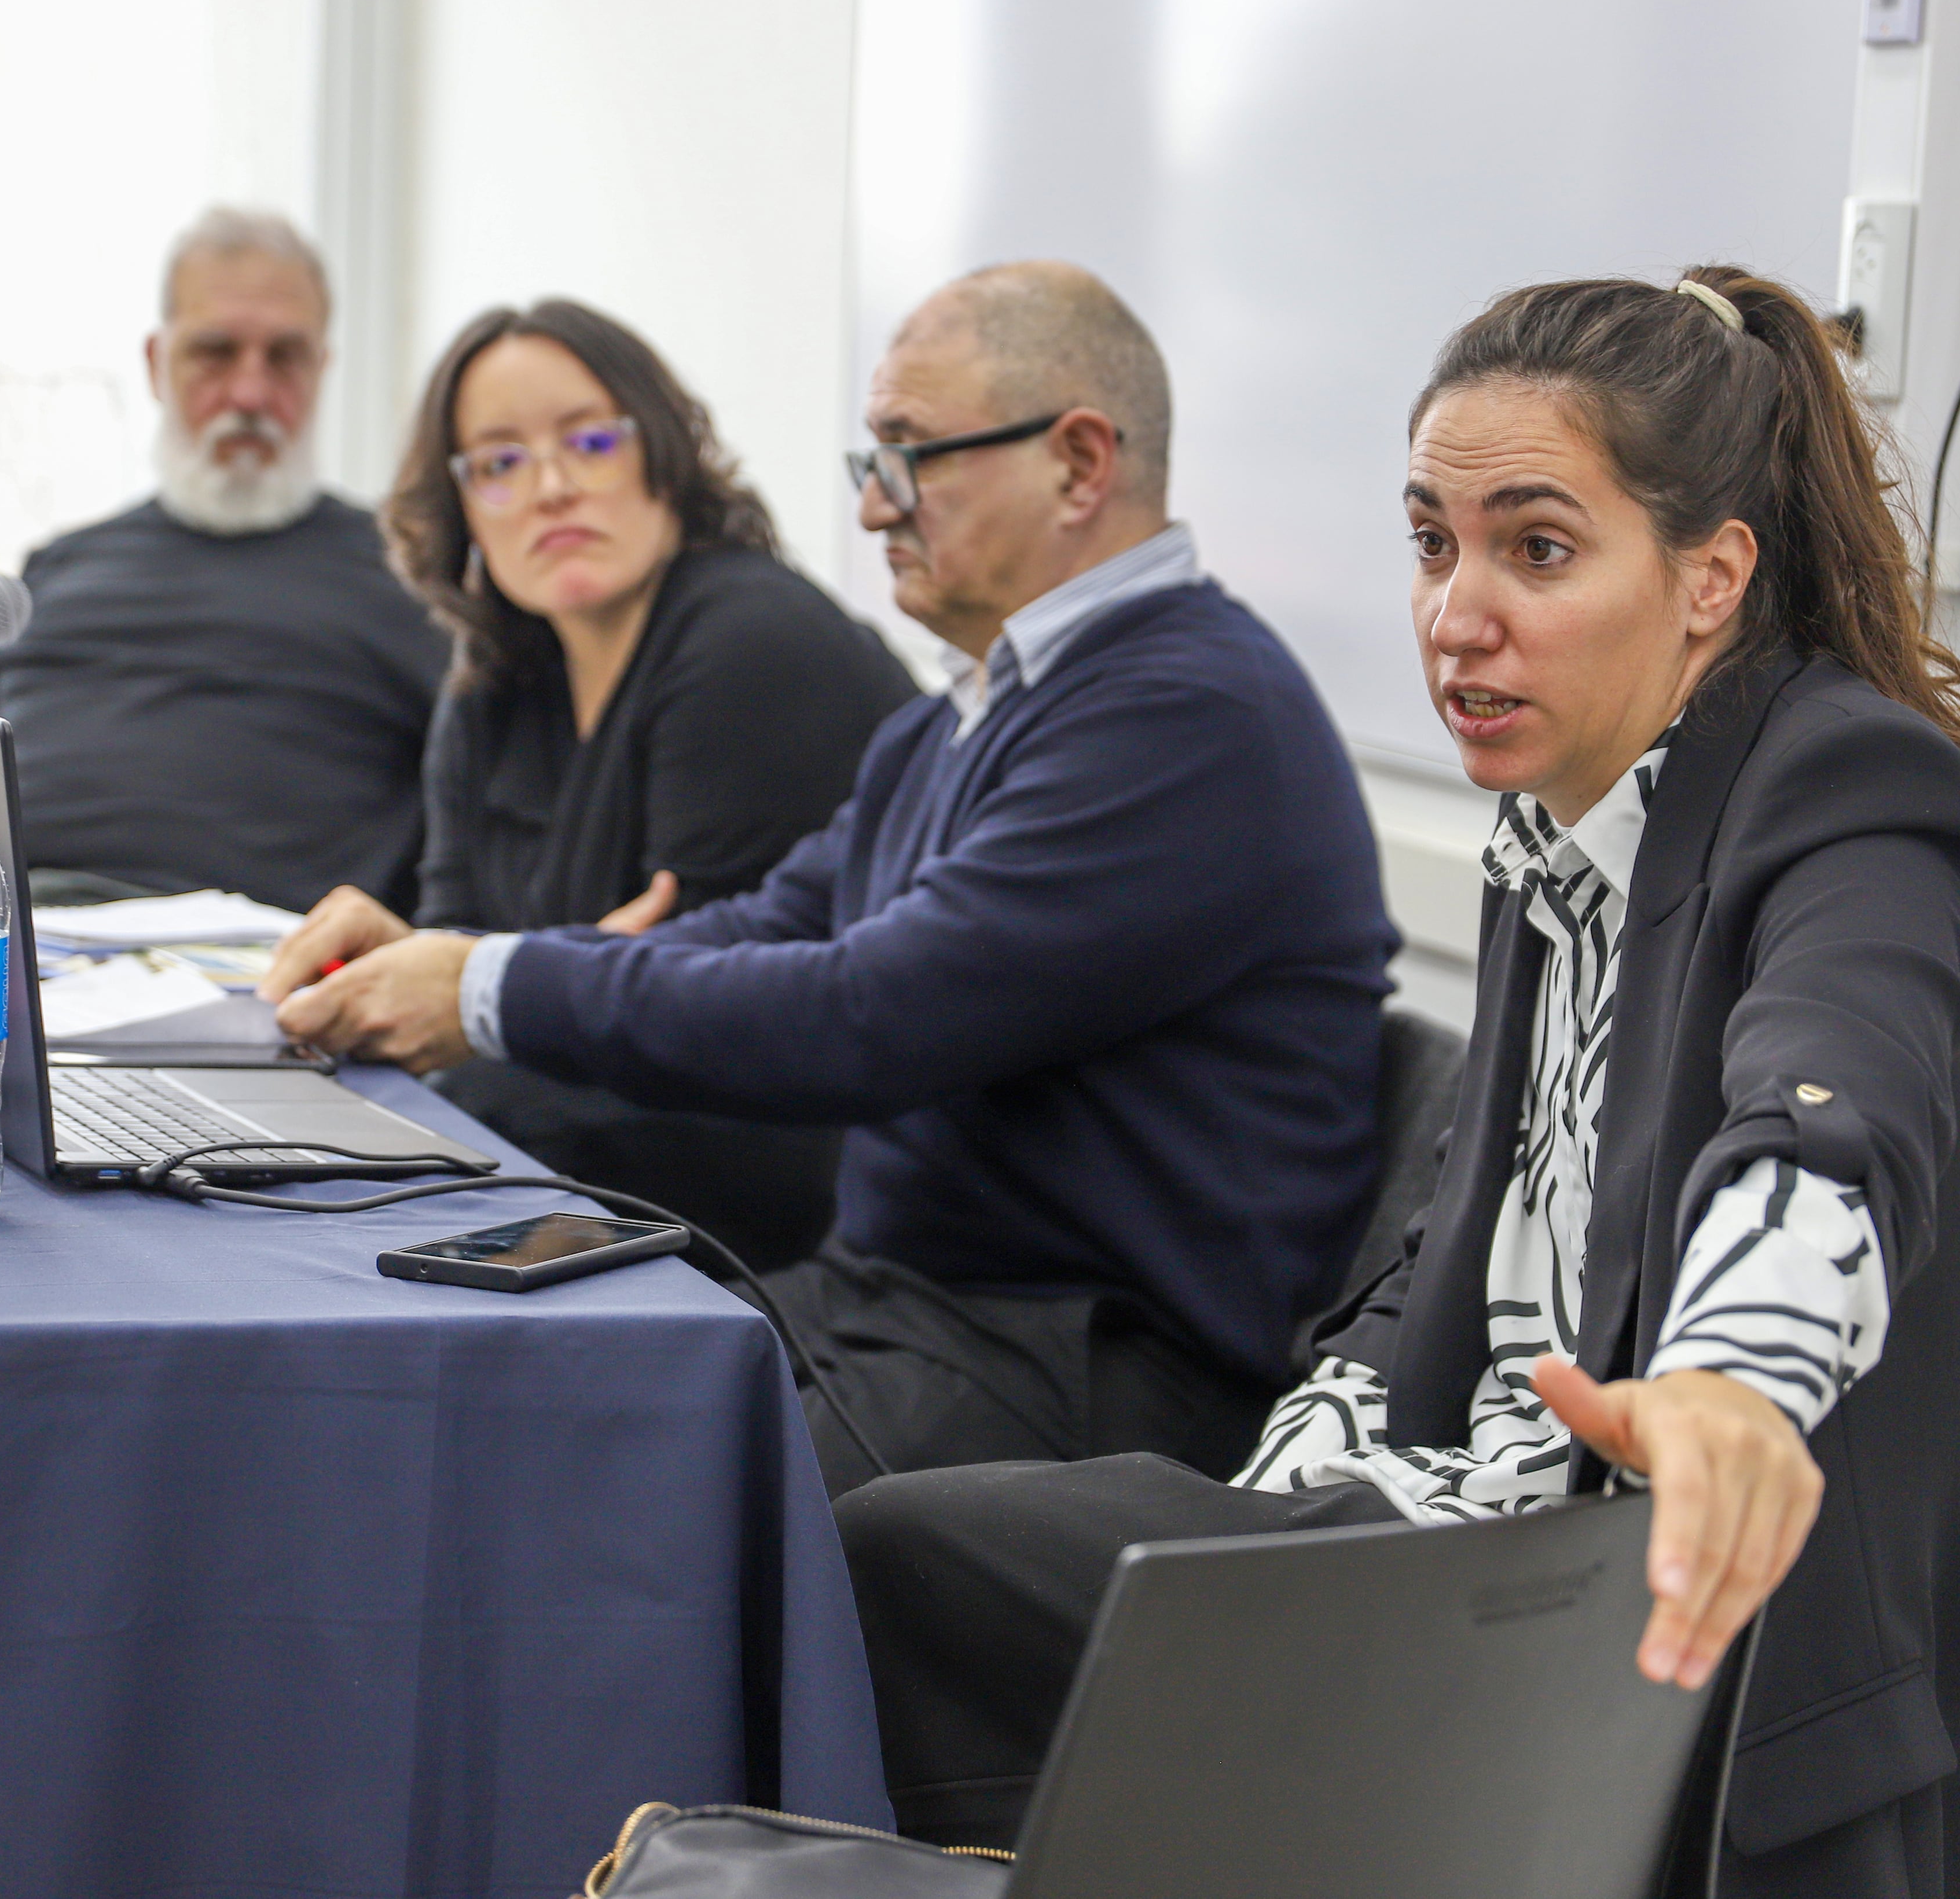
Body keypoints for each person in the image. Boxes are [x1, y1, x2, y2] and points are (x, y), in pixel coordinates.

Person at [831, 268, 1960, 1897]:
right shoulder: (1564, 824)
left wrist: (1734, 1383)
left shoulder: (1856, 786)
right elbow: (1458, 1236)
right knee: (912, 1549)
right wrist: (1287, 1472)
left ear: (1710, 576)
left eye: (1536, 549)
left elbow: (1827, 1113)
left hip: (1665, 1628)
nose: (1459, 613)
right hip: (1492, 1530)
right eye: (1431, 543)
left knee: (898, 1559)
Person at [260, 262, 1398, 1494]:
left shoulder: (1186, 714)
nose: (872, 511)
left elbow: (868, 1014)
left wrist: (484, 984)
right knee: (461, 1388)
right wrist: (453, 972)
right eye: (873, 462)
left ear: (1078, 463)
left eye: (907, 456)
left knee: (550, 1495)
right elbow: (769, 928)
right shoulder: (959, 719)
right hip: (896, 1308)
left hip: (1078, 1363)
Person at [366, 297, 920, 1266]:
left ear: (662, 453)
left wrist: (495, 983)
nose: (550, 487)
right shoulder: (491, 683)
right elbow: (459, 964)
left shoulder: (753, 640)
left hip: (777, 1189)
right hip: (576, 1155)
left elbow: (706, 1029)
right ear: (461, 511)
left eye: (589, 441)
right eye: (498, 463)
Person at [0, 208, 448, 913]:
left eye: (284, 357)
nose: (250, 394)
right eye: (215, 353)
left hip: (259, 976)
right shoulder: (57, 572)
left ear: (322, 370)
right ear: (156, 365)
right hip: (13, 952)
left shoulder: (412, 575)